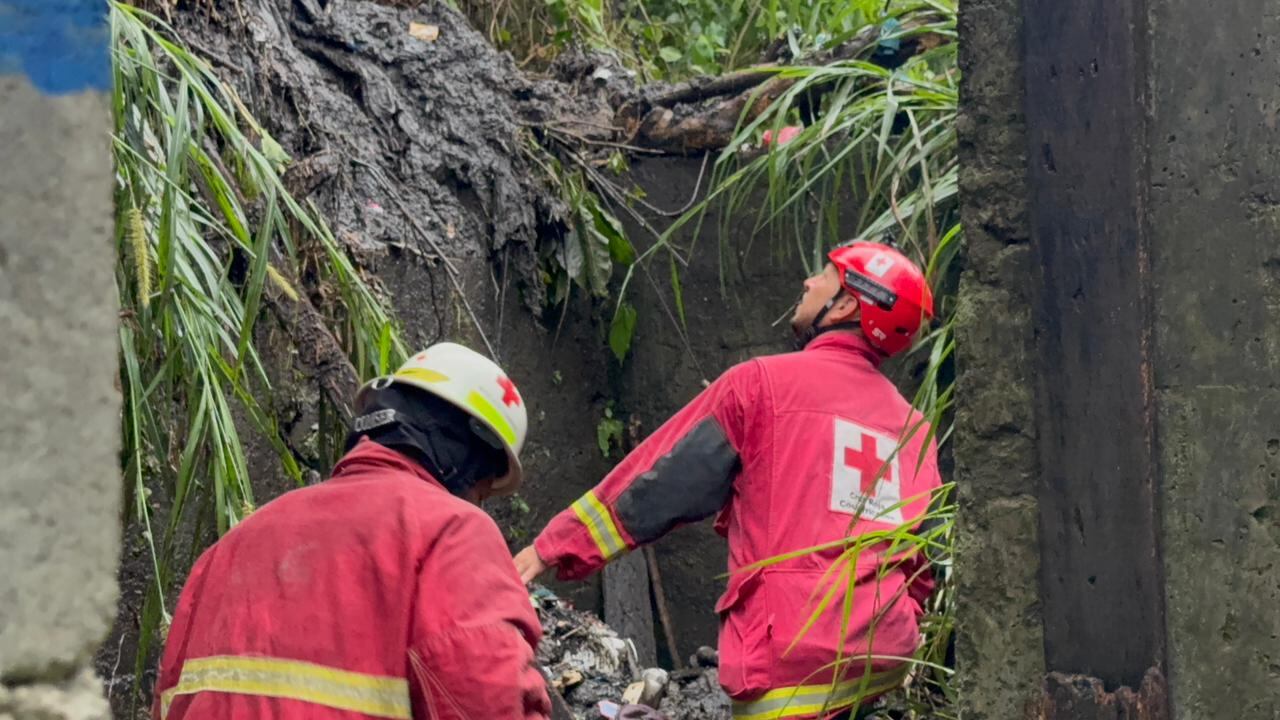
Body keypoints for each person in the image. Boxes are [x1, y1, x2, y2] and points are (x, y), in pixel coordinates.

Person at [515, 241, 942, 720]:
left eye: (824, 275)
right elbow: (920, 567)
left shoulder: (761, 385)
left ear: (845, 304)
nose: (808, 282)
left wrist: (550, 548)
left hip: (791, 660)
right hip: (880, 657)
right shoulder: (913, 427)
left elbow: (657, 484)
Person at [154, 343, 551, 720]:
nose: (477, 503)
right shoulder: (451, 531)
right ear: (468, 458)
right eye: (482, 488)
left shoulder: (228, 550)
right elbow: (487, 699)